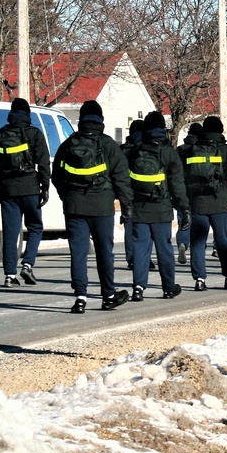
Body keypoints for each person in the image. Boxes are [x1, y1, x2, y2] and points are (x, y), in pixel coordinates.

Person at [51, 99, 133, 313]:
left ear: (81, 121)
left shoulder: (68, 144)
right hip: (102, 206)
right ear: (100, 120)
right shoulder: (108, 145)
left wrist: (66, 196)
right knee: (104, 252)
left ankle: (80, 297)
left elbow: (57, 175)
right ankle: (108, 295)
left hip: (74, 207)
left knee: (78, 253)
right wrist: (126, 206)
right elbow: (121, 178)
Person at [0, 98, 50, 288]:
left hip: (7, 191)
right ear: (27, 115)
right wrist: (44, 187)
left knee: (11, 233)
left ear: (11, 114)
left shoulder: (0, 134)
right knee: (35, 227)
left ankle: (9, 275)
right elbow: (44, 163)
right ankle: (28, 263)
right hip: (30, 188)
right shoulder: (34, 134)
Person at [126, 111, 188, 300]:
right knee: (164, 249)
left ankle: (138, 287)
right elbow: (177, 185)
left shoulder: (135, 151)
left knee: (141, 249)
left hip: (139, 208)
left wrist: (127, 203)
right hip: (161, 208)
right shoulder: (169, 153)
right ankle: (168, 287)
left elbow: (125, 180)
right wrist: (184, 208)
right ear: (163, 129)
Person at [181, 115, 227, 290]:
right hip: (220, 203)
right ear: (220, 131)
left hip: (197, 203)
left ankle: (199, 279)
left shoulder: (192, 150)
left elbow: (183, 177)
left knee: (198, 242)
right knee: (223, 240)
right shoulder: (225, 151)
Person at [174, 122, 201, 266]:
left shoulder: (180, 150)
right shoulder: (202, 149)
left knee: (183, 218)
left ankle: (182, 243)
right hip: (198, 190)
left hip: (182, 189)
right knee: (198, 219)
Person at [121, 119, 143, 272]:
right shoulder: (145, 148)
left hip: (126, 191)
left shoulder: (122, 149)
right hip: (143, 191)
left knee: (128, 225)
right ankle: (143, 258)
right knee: (143, 227)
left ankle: (131, 258)